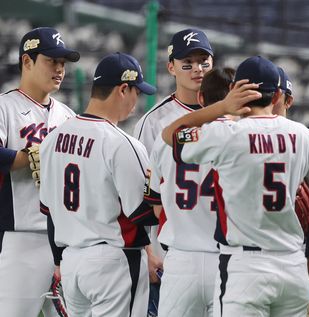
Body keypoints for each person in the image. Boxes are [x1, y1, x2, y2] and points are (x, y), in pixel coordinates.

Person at [161, 56, 309, 317]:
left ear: (235, 92)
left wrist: (221, 108)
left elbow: (171, 134)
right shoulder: (303, 136)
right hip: (292, 265)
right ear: (276, 96)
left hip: (245, 267)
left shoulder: (226, 134)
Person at [39, 52, 158, 316]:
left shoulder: (52, 139)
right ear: (123, 89)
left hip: (71, 262)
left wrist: (59, 261)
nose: (137, 101)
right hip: (113, 262)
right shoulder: (122, 143)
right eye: (136, 92)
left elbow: (49, 212)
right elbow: (142, 213)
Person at [133, 28, 214, 316]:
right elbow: (139, 194)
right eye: (187, 63)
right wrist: (147, 251)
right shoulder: (154, 121)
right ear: (171, 67)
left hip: (221, 250)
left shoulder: (228, 114)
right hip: (170, 252)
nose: (197, 69)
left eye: (204, 62)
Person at [0, 26, 80, 317]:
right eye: (51, 61)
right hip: (21, 239)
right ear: (26, 61)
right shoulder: (4, 107)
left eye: (63, 63)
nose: (60, 69)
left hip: (66, 240)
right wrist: (28, 156)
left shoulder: (69, 116)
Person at [143, 67, 234, 317]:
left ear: (201, 99)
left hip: (181, 261)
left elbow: (155, 204)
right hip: (229, 260)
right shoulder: (244, 138)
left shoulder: (168, 140)